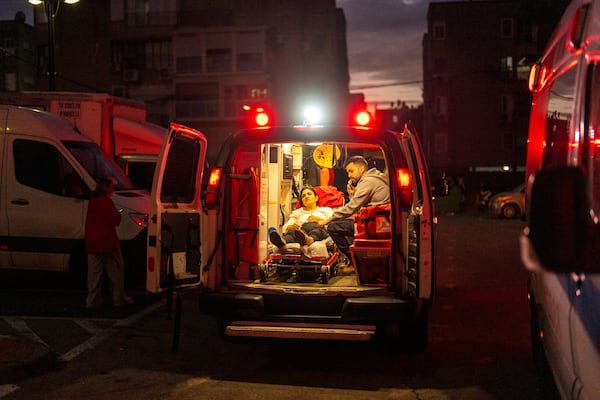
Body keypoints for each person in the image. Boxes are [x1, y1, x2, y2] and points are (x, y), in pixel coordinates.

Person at [318, 155, 390, 264]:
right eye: (348, 172)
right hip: (379, 222)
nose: (349, 175)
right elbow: (358, 208)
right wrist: (353, 195)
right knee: (345, 225)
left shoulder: (367, 181)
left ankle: (355, 260)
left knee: (333, 227)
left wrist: (329, 218)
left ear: (361, 169)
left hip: (374, 225)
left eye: (351, 171)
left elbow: (351, 208)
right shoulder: (376, 178)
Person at [85, 178, 133, 309]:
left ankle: (92, 300)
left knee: (94, 274)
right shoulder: (106, 202)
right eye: (111, 187)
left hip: (93, 242)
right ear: (106, 188)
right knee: (116, 271)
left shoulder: (92, 202)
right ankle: (118, 299)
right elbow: (115, 220)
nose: (112, 190)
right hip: (108, 242)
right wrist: (119, 214)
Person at [269, 185, 333, 249]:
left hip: (319, 230)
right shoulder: (297, 213)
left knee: (317, 232)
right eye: (303, 196)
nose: (306, 196)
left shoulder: (326, 211)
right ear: (302, 201)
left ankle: (309, 240)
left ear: (316, 198)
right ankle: (281, 241)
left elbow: (334, 225)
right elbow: (285, 227)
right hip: (301, 232)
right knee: (292, 233)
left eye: (309, 194)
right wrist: (289, 227)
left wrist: (321, 221)